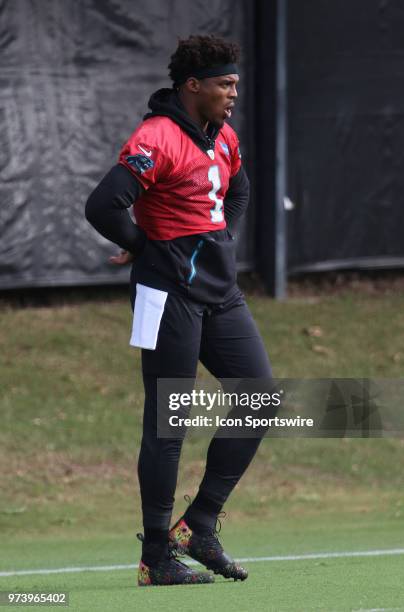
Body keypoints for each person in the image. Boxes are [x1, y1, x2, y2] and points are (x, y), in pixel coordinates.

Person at [85, 34, 273, 587]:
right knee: (170, 422)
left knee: (259, 396)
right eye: (224, 84)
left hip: (219, 292)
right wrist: (147, 245)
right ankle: (155, 555)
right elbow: (102, 204)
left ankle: (201, 523)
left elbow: (237, 192)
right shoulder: (157, 136)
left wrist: (222, 239)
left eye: (235, 83)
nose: (233, 92)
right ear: (193, 86)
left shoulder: (224, 136)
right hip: (167, 295)